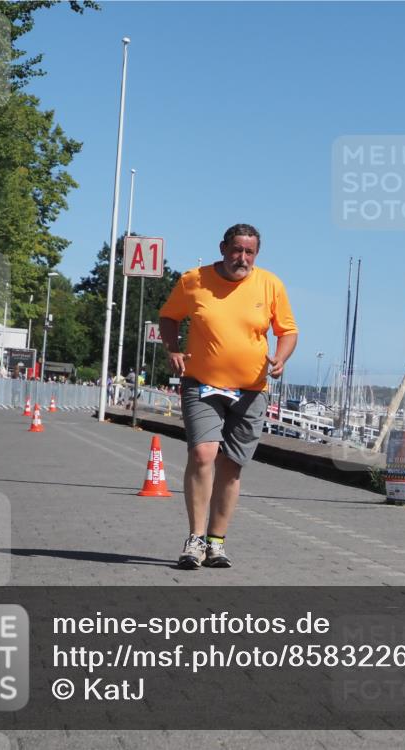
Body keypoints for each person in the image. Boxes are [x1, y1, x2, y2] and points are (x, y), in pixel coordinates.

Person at [159, 223, 297, 569]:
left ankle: (216, 542)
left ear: (257, 254)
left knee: (231, 467)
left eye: (249, 252)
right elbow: (169, 316)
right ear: (223, 248)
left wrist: (281, 358)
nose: (242, 258)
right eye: (237, 250)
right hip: (202, 383)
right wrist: (172, 349)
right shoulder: (194, 280)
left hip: (251, 390)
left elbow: (288, 331)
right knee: (204, 454)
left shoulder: (270, 284)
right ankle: (195, 539)